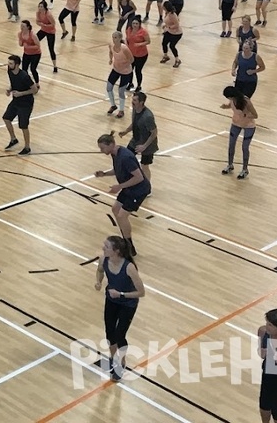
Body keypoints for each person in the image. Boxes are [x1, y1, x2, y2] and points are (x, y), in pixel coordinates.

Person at [94, 235, 144, 382]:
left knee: (120, 335)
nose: (103, 248)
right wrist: (98, 282)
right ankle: (112, 358)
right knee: (110, 332)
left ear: (116, 251)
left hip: (128, 304)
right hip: (111, 301)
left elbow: (141, 292)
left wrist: (120, 294)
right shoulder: (104, 259)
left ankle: (121, 364)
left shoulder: (129, 267)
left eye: (107, 247)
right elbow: (100, 271)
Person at [95, 134, 151, 257]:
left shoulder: (126, 157)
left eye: (102, 148)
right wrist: (104, 174)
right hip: (129, 188)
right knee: (115, 209)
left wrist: (119, 187)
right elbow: (118, 169)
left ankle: (129, 246)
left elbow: (139, 177)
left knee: (122, 216)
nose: (101, 151)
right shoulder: (115, 154)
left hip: (138, 190)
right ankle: (125, 239)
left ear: (111, 144)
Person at [118, 91, 158, 183]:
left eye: (135, 100)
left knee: (144, 166)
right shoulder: (135, 110)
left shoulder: (148, 117)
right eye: (133, 99)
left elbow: (154, 133)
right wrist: (125, 131)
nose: (132, 101)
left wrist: (144, 146)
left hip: (148, 145)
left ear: (141, 102)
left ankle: (147, 187)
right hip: (135, 141)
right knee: (126, 158)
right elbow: (135, 123)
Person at [2, 55, 39, 155]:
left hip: (26, 103)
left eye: (11, 63)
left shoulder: (24, 76)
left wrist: (21, 93)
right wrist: (9, 89)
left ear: (17, 65)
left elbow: (35, 90)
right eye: (8, 63)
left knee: (23, 126)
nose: (9, 65)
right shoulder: (9, 71)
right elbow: (13, 83)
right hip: (16, 101)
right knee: (6, 118)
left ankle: (27, 148)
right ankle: (13, 139)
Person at [221, 86, 258, 179]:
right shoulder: (233, 100)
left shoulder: (246, 101)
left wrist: (245, 115)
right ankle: (230, 165)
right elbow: (231, 105)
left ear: (232, 96)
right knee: (231, 144)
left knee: (245, 147)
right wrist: (226, 106)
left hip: (249, 125)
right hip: (236, 123)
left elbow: (255, 115)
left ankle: (245, 169)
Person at [106, 31, 134, 118]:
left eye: (115, 38)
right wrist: (111, 59)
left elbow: (131, 59)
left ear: (120, 38)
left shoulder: (124, 48)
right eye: (113, 37)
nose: (113, 39)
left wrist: (124, 66)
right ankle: (113, 105)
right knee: (109, 87)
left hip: (125, 72)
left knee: (121, 91)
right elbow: (111, 52)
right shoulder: (111, 45)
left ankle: (121, 110)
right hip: (116, 69)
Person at [125, 17, 150, 91]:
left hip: (141, 55)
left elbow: (148, 41)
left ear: (139, 24)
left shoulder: (143, 32)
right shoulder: (129, 30)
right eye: (133, 23)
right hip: (131, 54)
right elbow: (127, 39)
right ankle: (130, 83)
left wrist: (140, 44)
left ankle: (139, 85)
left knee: (138, 71)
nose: (134, 25)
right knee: (129, 69)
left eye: (136, 23)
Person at [19, 20, 43, 85]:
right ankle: (27, 82)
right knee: (24, 69)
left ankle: (37, 83)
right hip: (26, 53)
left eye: (23, 26)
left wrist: (28, 47)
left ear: (28, 27)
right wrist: (22, 43)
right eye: (21, 26)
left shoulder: (33, 35)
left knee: (33, 69)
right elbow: (20, 44)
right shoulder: (20, 34)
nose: (21, 27)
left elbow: (38, 46)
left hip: (36, 54)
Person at [159, 1, 182, 68]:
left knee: (172, 46)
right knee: (164, 43)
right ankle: (165, 56)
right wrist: (166, 26)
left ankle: (177, 60)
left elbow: (177, 25)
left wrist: (169, 27)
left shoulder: (172, 15)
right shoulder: (167, 13)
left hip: (176, 33)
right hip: (169, 31)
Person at [37, 1, 58, 73]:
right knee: (34, 42)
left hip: (50, 32)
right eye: (39, 6)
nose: (40, 8)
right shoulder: (38, 13)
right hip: (43, 30)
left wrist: (45, 25)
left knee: (51, 49)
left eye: (41, 7)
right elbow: (37, 21)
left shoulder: (48, 14)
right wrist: (41, 24)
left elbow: (53, 24)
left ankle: (55, 66)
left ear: (45, 7)